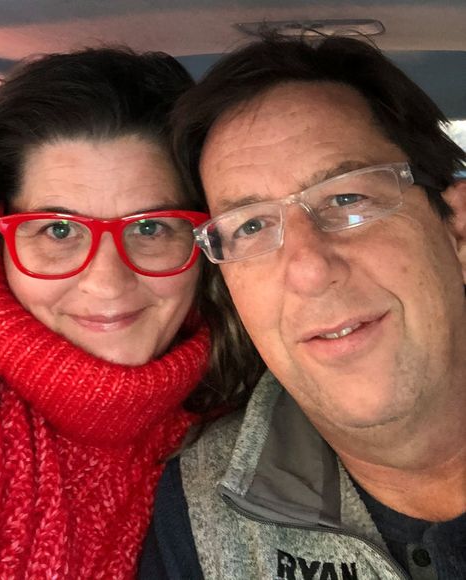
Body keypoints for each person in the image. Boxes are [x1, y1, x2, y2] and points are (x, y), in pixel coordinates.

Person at [0, 47, 261, 578]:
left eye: (150, 227)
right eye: (59, 230)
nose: (107, 282)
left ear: (205, 238)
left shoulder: (252, 394)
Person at [140, 34, 466, 579]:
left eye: (347, 198)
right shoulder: (192, 511)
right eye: (251, 227)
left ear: (456, 232)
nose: (309, 269)